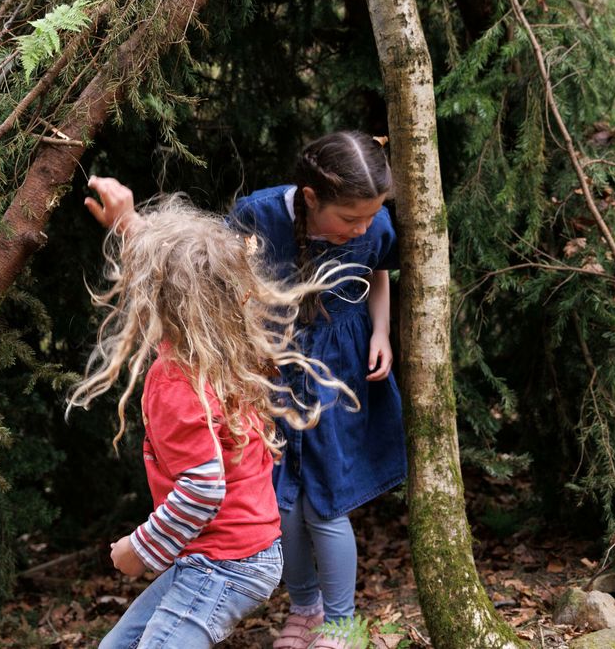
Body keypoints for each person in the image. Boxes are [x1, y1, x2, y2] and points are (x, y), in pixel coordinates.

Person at [84, 130, 406, 649]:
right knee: (285, 498)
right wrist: (129, 224)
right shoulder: (239, 358)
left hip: (231, 549)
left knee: (327, 502)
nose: (362, 228)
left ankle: (341, 619)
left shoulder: (187, 376)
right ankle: (307, 608)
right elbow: (200, 269)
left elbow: (202, 489)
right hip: (270, 395)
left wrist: (138, 550)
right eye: (350, 218)